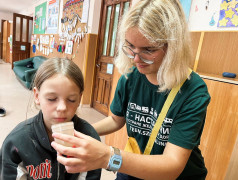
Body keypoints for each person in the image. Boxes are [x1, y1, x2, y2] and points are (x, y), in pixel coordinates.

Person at [51, 0, 211, 179]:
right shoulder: (130, 77)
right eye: (130, 46)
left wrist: (107, 156)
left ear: (173, 47)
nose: (136, 59)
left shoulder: (193, 91)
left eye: (148, 50)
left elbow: (172, 165)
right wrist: (79, 133)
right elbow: (116, 120)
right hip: (135, 167)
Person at [0, 58, 101, 180]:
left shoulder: (91, 140)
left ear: (79, 98)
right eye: (52, 99)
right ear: (37, 96)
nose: (62, 107)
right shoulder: (16, 143)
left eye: (71, 100)